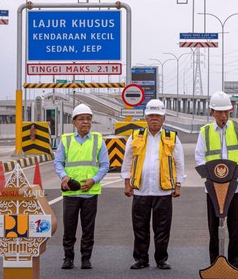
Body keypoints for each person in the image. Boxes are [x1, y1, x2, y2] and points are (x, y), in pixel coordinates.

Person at [121, 99, 185, 270]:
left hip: (162, 191)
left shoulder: (171, 137)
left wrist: (178, 184)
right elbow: (127, 160)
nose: (154, 119)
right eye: (151, 116)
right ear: (146, 118)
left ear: (164, 118)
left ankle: (161, 259)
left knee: (162, 229)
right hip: (141, 190)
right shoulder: (135, 136)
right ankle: (141, 259)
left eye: (157, 116)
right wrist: (127, 183)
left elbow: (179, 162)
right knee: (139, 227)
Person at [195, 91, 238, 269]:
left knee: (235, 231)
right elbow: (199, 159)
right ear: (211, 111)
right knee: (214, 231)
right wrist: (213, 175)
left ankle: (234, 266)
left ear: (231, 110)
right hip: (214, 189)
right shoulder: (205, 132)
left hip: (237, 187)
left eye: (226, 111)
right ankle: (214, 266)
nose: (223, 115)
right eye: (219, 112)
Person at [54, 103, 110, 270]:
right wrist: (64, 176)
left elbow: (105, 165)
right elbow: (58, 162)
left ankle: (86, 259)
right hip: (71, 193)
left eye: (88, 119)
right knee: (69, 229)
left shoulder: (98, 140)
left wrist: (93, 180)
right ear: (74, 122)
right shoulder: (66, 140)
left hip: (90, 193)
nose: (86, 122)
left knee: (88, 229)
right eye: (82, 119)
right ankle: (68, 258)